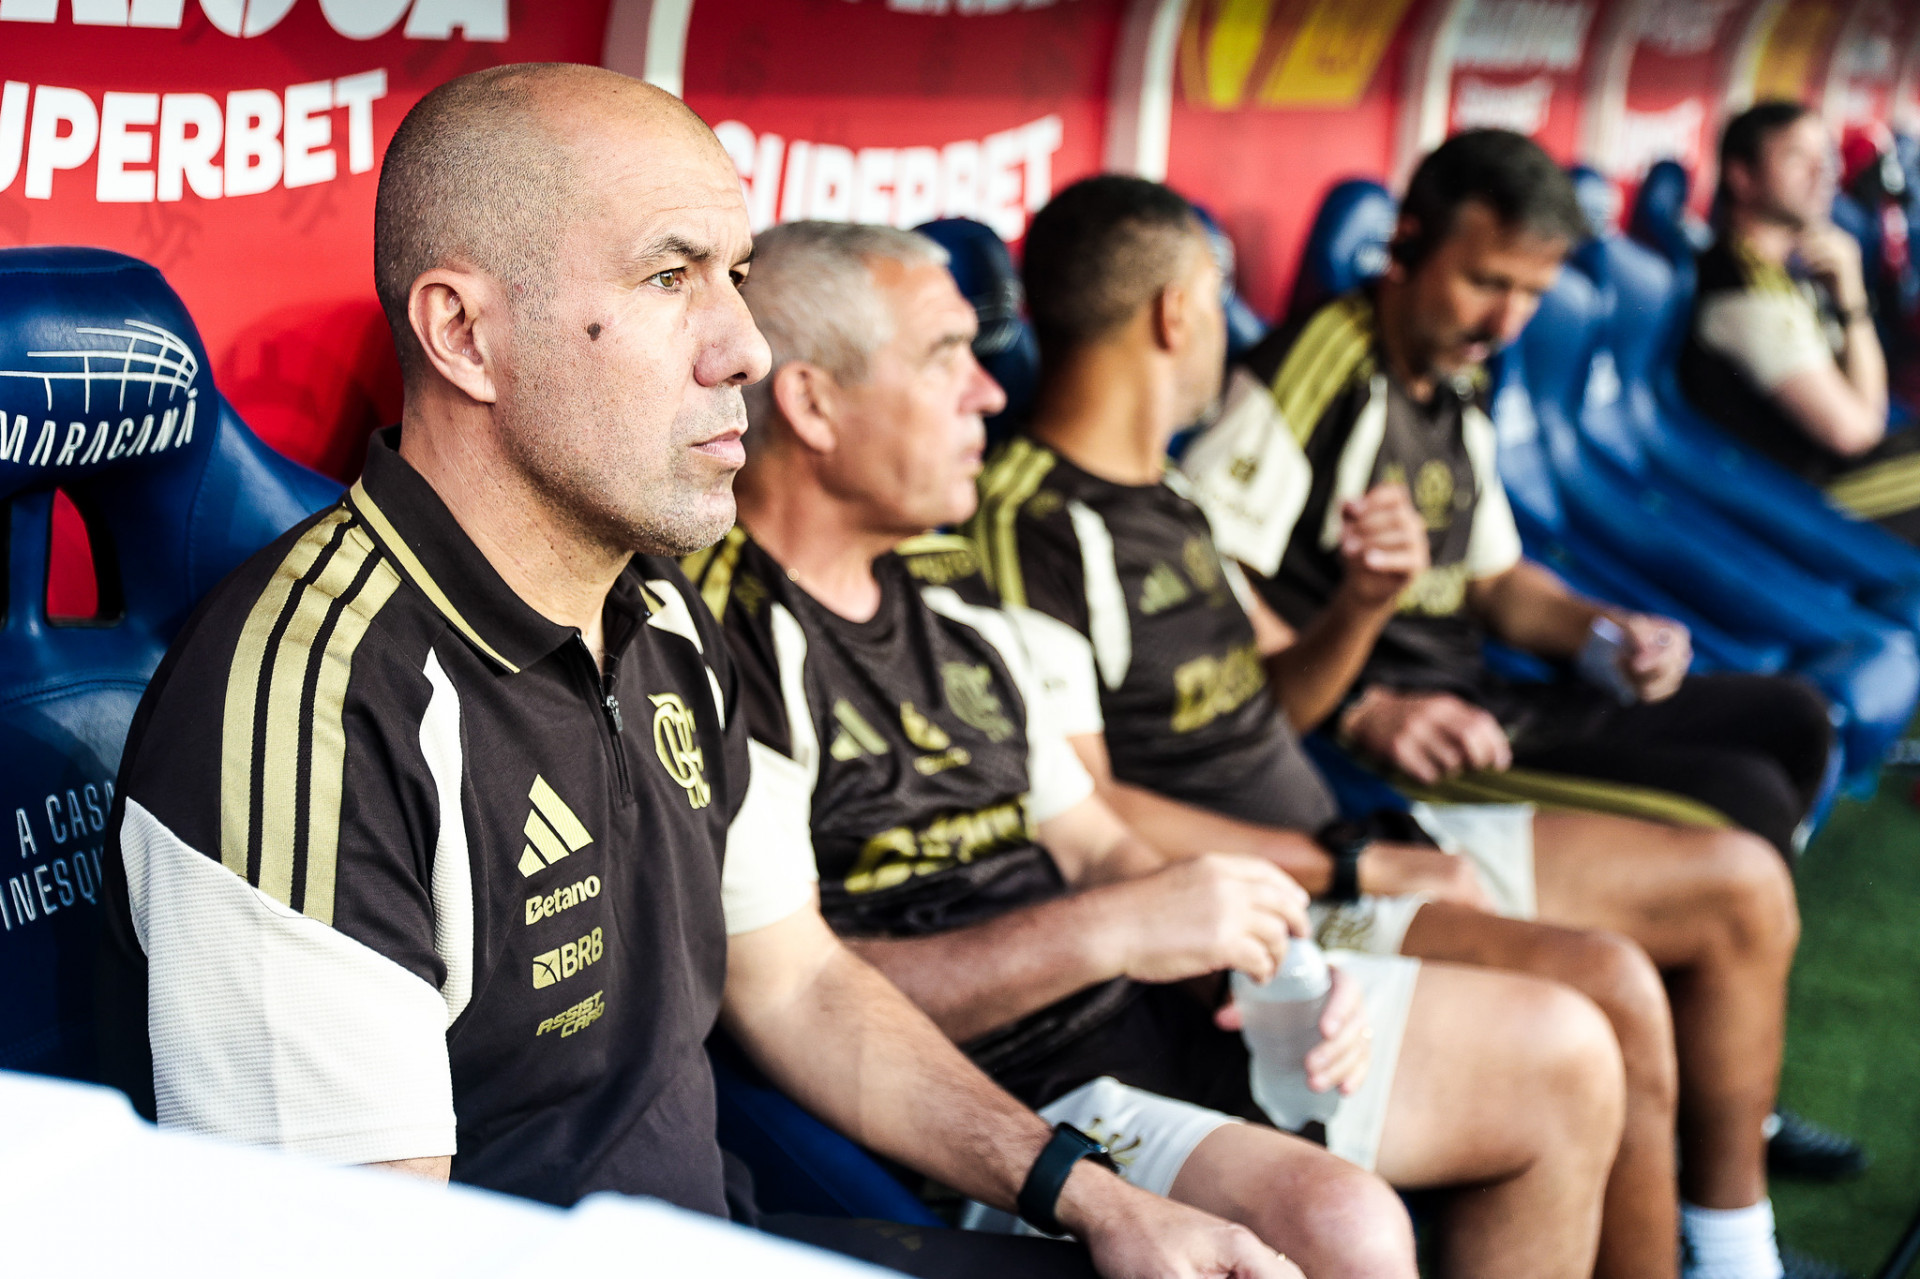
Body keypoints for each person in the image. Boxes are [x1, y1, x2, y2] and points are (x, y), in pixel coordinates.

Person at [91, 64, 1297, 1279]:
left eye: (740, 277)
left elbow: (802, 984)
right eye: (671, 278)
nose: (748, 349)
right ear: (464, 334)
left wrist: (1087, 1194)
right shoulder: (314, 705)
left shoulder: (661, 608)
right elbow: (362, 1254)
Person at [700, 217, 1630, 1279]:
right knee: (1344, 1225)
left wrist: (1267, 962)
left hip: (1140, 1009)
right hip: (991, 1093)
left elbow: (1092, 839)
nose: (989, 392)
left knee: (1570, 1050)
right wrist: (1118, 928)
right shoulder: (720, 639)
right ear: (812, 403)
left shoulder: (949, 577)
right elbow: (796, 989)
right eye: (945, 356)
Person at [1001, 167, 1806, 1279]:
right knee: (1599, 1004)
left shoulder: (1169, 496)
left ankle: (1727, 1254)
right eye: (950, 362)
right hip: (1283, 878)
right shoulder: (1033, 519)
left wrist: (1363, 606)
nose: (976, 394)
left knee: (1720, 860)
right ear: (1177, 311)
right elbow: (1089, 817)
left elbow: (1274, 694)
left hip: (1334, 836)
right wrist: (1351, 858)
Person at [1682, 101, 1919, 542]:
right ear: (1741, 176)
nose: (1823, 172)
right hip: (1807, 503)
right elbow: (1859, 431)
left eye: (1826, 156)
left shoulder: (1789, 267)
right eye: (1796, 157)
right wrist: (1851, 302)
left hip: (1846, 475)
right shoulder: (1741, 291)